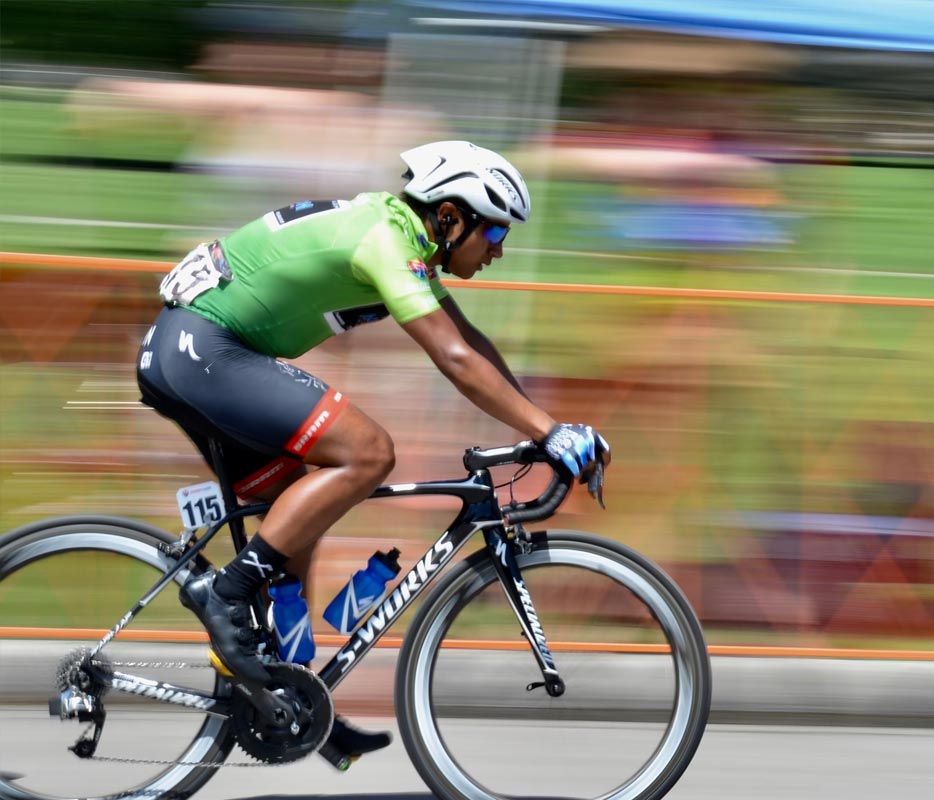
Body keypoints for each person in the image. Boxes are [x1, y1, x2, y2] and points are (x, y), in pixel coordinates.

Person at [136, 140, 610, 761]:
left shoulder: (402, 239)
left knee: (295, 522)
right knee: (367, 452)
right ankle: (223, 596)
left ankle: (292, 700)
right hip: (205, 351)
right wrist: (549, 434)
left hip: (200, 352)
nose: (499, 248)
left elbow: (469, 341)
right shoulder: (385, 240)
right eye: (494, 230)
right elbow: (454, 359)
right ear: (449, 216)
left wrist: (545, 425)